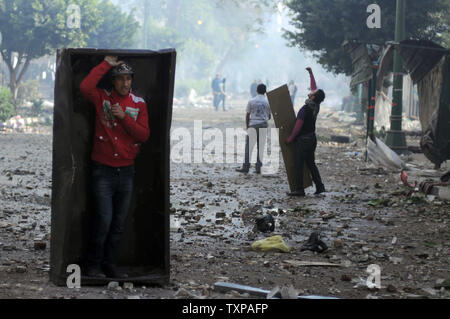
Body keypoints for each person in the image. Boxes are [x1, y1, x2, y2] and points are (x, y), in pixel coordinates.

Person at [80, 56, 150, 278]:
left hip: (126, 171)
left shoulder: (139, 103)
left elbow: (144, 135)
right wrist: (105, 65)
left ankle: (110, 265)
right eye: (120, 79)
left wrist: (124, 119)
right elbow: (84, 87)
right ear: (113, 81)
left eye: (128, 79)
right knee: (104, 220)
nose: (125, 83)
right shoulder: (102, 98)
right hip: (103, 171)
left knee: (118, 223)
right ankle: (93, 266)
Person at [285, 67, 325, 196]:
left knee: (298, 164)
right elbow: (314, 88)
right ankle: (319, 186)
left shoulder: (305, 109)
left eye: (313, 92)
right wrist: (311, 74)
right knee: (311, 164)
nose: (311, 91)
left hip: (303, 141)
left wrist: (290, 138)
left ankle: (299, 189)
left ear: (313, 97)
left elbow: (298, 126)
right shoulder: (316, 106)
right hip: (312, 139)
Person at [236, 84, 271, 174]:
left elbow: (247, 114)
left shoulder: (251, 101)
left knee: (249, 147)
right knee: (261, 147)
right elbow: (269, 116)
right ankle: (258, 168)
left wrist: (248, 126)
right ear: (265, 91)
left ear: (257, 90)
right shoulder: (268, 102)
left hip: (253, 125)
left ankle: (246, 167)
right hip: (263, 125)